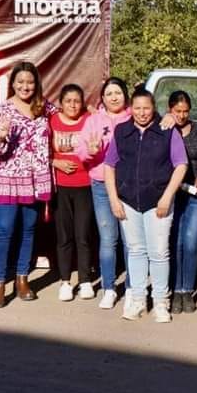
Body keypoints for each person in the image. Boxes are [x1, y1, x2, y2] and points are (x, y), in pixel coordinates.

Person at [104, 88, 187, 323]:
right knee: (136, 251)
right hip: (128, 201)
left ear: (154, 108)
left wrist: (167, 196)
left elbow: (180, 164)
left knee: (159, 253)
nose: (142, 113)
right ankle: (138, 300)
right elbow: (109, 165)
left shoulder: (166, 130)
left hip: (158, 201)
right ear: (131, 109)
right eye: (138, 108)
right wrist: (113, 199)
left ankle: (161, 302)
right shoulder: (122, 131)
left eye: (147, 108)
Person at [0, 62, 53, 308]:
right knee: (3, 231)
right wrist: (1, 136)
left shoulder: (44, 107)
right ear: (12, 83)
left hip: (34, 180)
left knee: (29, 231)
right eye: (20, 82)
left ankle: (22, 279)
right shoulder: (2, 111)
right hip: (7, 180)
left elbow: (71, 115)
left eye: (30, 82)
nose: (25, 87)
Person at [77, 77, 132, 309]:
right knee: (108, 238)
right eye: (109, 93)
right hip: (100, 184)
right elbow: (81, 151)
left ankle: (132, 287)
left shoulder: (134, 116)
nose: (113, 97)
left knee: (131, 241)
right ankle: (109, 288)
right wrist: (91, 152)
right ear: (102, 98)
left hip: (129, 186)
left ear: (125, 95)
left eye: (117, 92)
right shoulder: (93, 120)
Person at [49, 83, 97, 301]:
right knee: (64, 236)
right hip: (61, 187)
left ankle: (86, 280)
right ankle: (66, 281)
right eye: (68, 101)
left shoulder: (90, 120)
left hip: (85, 186)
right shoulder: (52, 121)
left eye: (77, 101)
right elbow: (43, 151)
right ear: (61, 103)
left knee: (83, 235)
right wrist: (56, 162)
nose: (73, 105)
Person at [167, 90, 197, 314]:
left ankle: (187, 290)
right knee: (175, 243)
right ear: (169, 109)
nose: (182, 116)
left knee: (191, 243)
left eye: (186, 111)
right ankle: (175, 290)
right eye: (177, 111)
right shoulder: (165, 129)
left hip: (196, 195)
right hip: (173, 195)